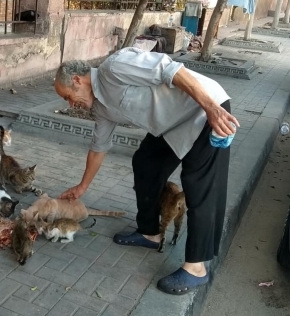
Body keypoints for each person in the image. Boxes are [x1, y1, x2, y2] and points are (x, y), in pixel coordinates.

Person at [53, 47, 239, 295]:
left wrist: (211, 108)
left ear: (77, 80)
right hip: (172, 124)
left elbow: (172, 71)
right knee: (146, 163)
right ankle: (149, 233)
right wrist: (82, 187)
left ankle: (196, 268)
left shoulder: (115, 67)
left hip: (204, 109)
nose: (70, 104)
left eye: (67, 96)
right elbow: (99, 147)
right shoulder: (99, 107)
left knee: (199, 184)